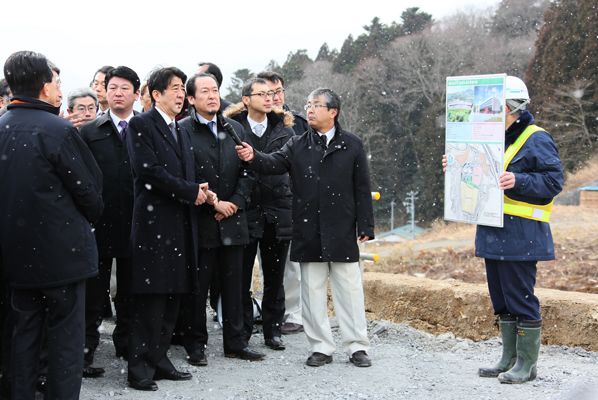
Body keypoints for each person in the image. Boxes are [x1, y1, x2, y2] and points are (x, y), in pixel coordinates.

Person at [236, 87, 375, 368]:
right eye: (308, 105)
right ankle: (321, 347)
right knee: (311, 291)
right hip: (308, 228)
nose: (309, 110)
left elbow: (362, 188)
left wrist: (366, 225)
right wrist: (254, 157)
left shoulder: (352, 144)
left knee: (349, 290)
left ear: (333, 112)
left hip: (342, 228)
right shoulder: (297, 143)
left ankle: (357, 346)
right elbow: (275, 163)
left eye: (316, 105)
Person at [442, 76, 563, 384]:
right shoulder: (486, 140)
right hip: (492, 230)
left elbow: (553, 181)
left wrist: (518, 181)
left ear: (513, 108)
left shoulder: (536, 138)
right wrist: (455, 166)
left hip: (522, 234)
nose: (488, 114)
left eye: (494, 109)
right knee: (501, 298)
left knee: (520, 297)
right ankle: (508, 358)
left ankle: (527, 364)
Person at [0, 50, 103, 399]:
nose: (60, 89)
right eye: (57, 82)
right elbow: (90, 194)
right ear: (44, 87)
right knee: (65, 343)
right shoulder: (58, 130)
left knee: (23, 337)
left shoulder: (2, 127)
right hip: (62, 258)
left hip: (14, 257)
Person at [125, 67, 215, 391]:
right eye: (174, 88)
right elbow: (149, 172)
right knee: (151, 300)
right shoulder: (140, 125)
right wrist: (191, 192)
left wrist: (199, 189)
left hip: (180, 225)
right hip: (154, 226)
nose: (181, 94)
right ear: (156, 94)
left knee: (173, 297)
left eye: (182, 88)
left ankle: (160, 359)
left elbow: (181, 175)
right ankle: (139, 369)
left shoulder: (181, 129)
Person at [178, 73, 264, 365]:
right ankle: (195, 344)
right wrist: (214, 201)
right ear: (191, 99)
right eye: (204, 91)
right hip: (201, 219)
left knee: (235, 285)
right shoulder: (182, 130)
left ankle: (236, 343)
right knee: (198, 287)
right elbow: (185, 176)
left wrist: (235, 203)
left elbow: (249, 170)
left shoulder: (234, 127)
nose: (212, 96)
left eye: (215, 90)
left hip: (233, 219)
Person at [225, 77, 295, 350]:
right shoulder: (233, 129)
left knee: (275, 276)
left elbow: (286, 169)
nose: (269, 99)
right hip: (244, 210)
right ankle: (241, 331)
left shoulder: (284, 130)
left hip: (278, 210)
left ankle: (272, 330)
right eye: (261, 94)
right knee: (241, 276)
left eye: (272, 94)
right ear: (246, 100)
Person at [80, 66, 141, 377]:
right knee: (94, 292)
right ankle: (87, 351)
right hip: (99, 222)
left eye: (124, 88)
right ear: (104, 92)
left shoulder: (144, 129)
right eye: (112, 87)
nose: (118, 93)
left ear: (137, 93)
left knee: (131, 289)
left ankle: (127, 343)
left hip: (138, 221)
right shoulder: (89, 131)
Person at [256, 71, 309, 335]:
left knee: (291, 265)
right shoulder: (250, 121)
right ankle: (271, 312)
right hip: (260, 203)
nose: (274, 97)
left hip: (290, 201)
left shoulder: (298, 123)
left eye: (278, 91)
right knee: (268, 265)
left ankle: (295, 313)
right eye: (267, 92)